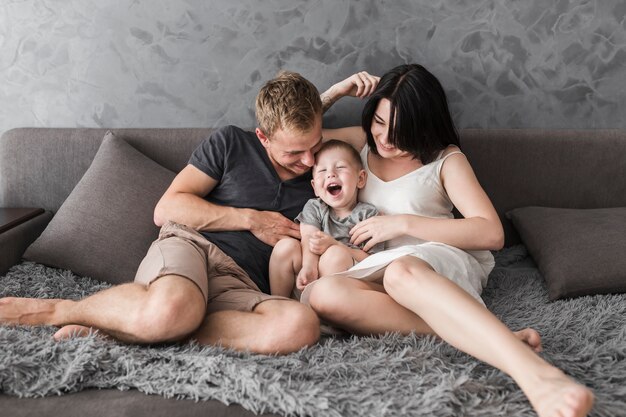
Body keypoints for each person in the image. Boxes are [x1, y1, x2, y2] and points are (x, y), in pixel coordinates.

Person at [0, 70, 380, 355]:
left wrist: (330, 96)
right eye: (294, 152)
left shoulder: (323, 166)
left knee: (299, 326)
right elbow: (167, 208)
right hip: (192, 248)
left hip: (242, 284)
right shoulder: (232, 143)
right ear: (263, 136)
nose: (309, 160)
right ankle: (59, 309)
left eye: (314, 145)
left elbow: (373, 136)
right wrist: (251, 219)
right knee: (172, 309)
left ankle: (119, 327)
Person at [309, 64, 594, 417]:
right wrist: (335, 93)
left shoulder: (445, 160)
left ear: (423, 126)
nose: (384, 139)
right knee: (324, 294)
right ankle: (495, 339)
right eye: (379, 122)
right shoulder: (360, 145)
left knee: (402, 272)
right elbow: (293, 134)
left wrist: (401, 223)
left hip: (437, 262)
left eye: (400, 131)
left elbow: (492, 233)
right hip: (377, 270)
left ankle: (538, 377)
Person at [269, 139, 383, 298]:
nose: (331, 174)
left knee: (335, 254)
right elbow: (308, 238)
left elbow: (372, 261)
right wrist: (309, 267)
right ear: (315, 187)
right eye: (322, 170)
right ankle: (279, 302)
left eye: (340, 167)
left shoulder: (368, 215)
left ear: (360, 179)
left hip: (339, 287)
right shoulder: (315, 207)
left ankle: (322, 309)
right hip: (305, 277)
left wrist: (336, 245)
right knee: (285, 246)